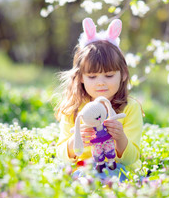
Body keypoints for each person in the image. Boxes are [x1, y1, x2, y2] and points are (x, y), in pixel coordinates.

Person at [55, 17, 143, 182]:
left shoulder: (129, 108)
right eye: (92, 76)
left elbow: (131, 159)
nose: (101, 82)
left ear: (123, 74)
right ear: (81, 77)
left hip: (117, 171)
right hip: (82, 170)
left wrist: (120, 137)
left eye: (109, 75)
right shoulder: (74, 107)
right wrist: (76, 140)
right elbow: (61, 154)